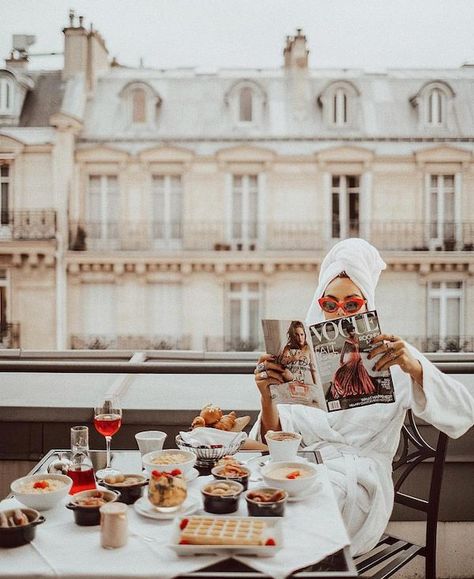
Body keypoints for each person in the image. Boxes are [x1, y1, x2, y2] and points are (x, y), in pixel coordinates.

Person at [250, 238, 474, 556]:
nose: (340, 314)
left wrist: (416, 366)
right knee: (252, 498)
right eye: (330, 304)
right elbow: (274, 441)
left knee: (293, 513)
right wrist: (267, 397)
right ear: (320, 304)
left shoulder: (393, 359)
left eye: (352, 305)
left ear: (367, 305)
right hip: (302, 473)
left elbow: (465, 412)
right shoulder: (301, 360)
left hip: (359, 487)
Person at [331, 320, 376, 399]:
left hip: (358, 357)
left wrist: (361, 358)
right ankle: (347, 388)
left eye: (354, 330)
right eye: (351, 331)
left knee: (360, 372)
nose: (353, 332)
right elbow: (343, 352)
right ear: (348, 333)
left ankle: (360, 388)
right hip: (351, 358)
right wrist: (341, 360)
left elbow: (358, 350)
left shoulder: (357, 339)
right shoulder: (347, 341)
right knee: (348, 373)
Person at [280, 321, 318, 385]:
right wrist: (293, 358)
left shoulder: (308, 349)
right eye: (297, 335)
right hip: (290, 378)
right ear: (293, 336)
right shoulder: (288, 348)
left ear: (305, 334)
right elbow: (282, 362)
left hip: (303, 380)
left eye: (302, 334)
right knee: (284, 373)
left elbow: (313, 369)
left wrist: (316, 384)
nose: (300, 338)